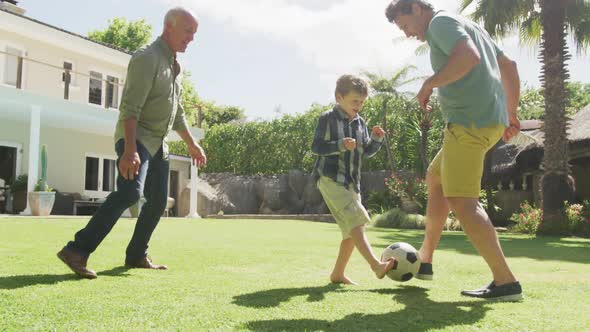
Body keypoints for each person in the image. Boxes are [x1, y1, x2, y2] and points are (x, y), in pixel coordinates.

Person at [384, 0, 523, 301]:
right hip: (483, 122)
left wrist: (430, 83)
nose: (408, 34)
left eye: (405, 26)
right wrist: (510, 114)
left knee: (462, 201)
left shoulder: (439, 24)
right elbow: (508, 66)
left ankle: (506, 282)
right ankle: (426, 260)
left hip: (468, 123)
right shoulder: (471, 26)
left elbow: (467, 58)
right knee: (436, 179)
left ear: (417, 9)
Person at [57, 7, 206, 279]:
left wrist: (192, 144)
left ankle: (137, 254)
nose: (191, 39)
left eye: (194, 33)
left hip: (158, 144)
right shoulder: (147, 58)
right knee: (129, 193)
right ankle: (77, 250)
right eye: (188, 31)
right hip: (135, 139)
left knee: (159, 200)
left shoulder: (175, 66)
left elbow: (178, 112)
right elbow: (130, 108)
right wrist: (129, 149)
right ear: (169, 27)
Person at [312, 74, 395, 285]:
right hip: (331, 179)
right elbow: (317, 147)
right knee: (356, 221)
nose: (359, 106)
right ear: (339, 97)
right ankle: (376, 266)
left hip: (351, 183)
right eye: (354, 101)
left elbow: (364, 152)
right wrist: (340, 145)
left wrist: (376, 138)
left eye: (362, 102)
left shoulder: (360, 123)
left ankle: (337, 274)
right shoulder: (327, 119)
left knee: (351, 232)